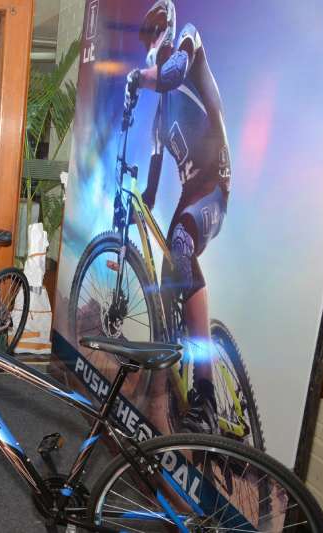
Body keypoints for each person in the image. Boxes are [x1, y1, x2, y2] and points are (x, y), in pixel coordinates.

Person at [125, 0, 231, 434]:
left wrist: (139, 78)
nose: (149, 41)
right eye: (144, 35)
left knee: (184, 240)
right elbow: (151, 185)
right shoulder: (159, 118)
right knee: (172, 263)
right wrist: (137, 202)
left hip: (214, 186)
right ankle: (167, 379)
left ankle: (205, 396)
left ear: (166, 27)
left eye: (153, 31)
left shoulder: (188, 40)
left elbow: (170, 73)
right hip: (189, 196)